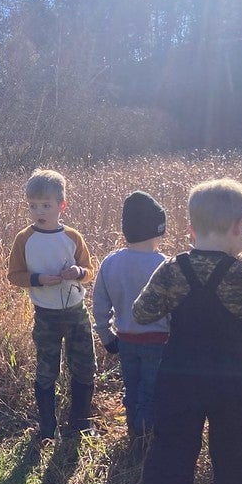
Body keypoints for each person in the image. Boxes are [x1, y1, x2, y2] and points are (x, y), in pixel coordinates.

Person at [132, 178, 242, 484]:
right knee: (238, 459)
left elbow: (141, 312)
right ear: (238, 225)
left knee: (171, 453)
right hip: (234, 385)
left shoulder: (172, 269)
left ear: (191, 228)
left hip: (179, 381)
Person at [7, 169, 97, 441]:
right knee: (47, 369)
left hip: (76, 312)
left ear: (62, 206)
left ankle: (81, 422)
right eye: (33, 206)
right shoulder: (24, 238)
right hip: (45, 315)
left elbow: (90, 270)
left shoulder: (72, 236)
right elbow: (14, 275)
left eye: (45, 205)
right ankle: (47, 426)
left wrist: (78, 272)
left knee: (84, 366)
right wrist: (37, 279)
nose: (38, 212)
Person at [92, 191, 169, 452]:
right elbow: (174, 311)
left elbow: (100, 305)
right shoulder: (165, 266)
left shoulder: (111, 262)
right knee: (152, 393)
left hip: (124, 342)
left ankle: (134, 435)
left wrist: (105, 336)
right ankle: (145, 445)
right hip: (158, 344)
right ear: (157, 230)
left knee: (132, 389)